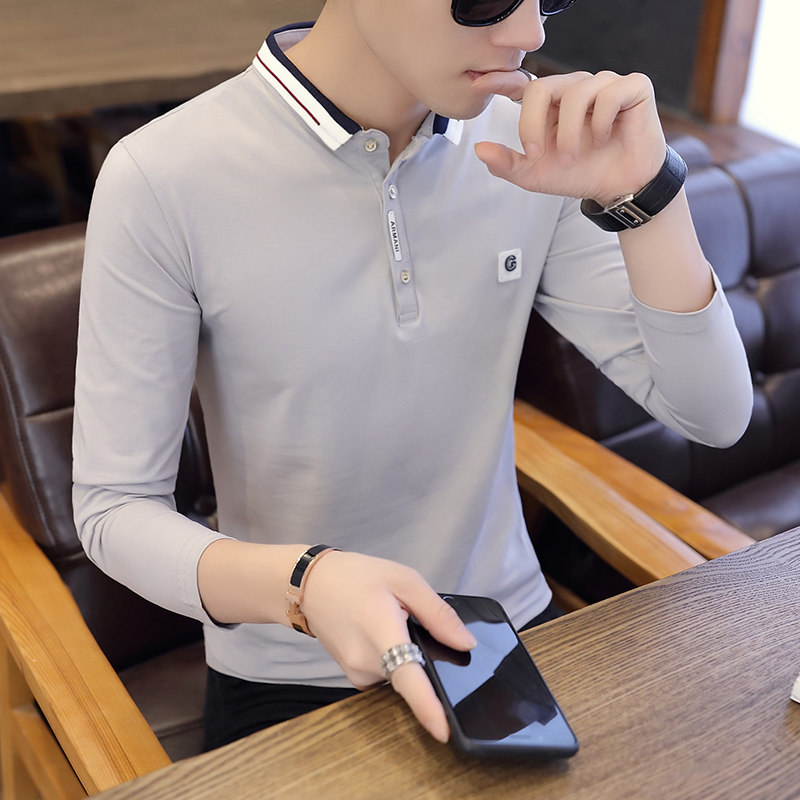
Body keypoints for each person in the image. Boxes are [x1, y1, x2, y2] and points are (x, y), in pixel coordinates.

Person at [72, 0, 753, 750]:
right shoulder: (163, 175)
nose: (531, 33)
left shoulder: (532, 148)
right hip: (290, 664)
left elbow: (715, 414)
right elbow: (113, 510)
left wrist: (648, 196)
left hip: (503, 628)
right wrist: (306, 583)